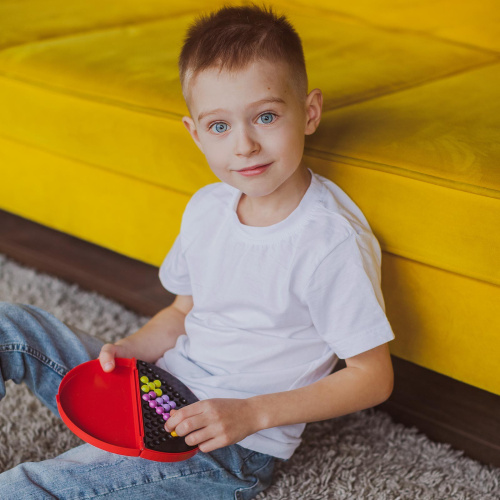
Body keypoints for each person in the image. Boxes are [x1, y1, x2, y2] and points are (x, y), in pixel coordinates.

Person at [0, 5, 395, 499]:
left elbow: (372, 377)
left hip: (228, 446)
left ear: (309, 112)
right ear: (194, 133)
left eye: (266, 117)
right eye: (220, 127)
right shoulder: (208, 207)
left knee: (27, 487)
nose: (245, 145)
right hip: (158, 388)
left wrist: (251, 413)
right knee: (7, 327)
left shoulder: (330, 241)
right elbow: (184, 310)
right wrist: (131, 350)